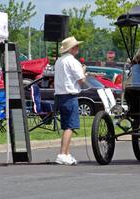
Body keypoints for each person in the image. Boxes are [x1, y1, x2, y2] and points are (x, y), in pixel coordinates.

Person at [54, 36, 86, 165]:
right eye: (76, 46)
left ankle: (66, 153)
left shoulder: (59, 61)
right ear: (72, 48)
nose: (78, 48)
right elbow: (81, 80)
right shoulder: (73, 61)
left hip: (60, 95)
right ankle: (62, 153)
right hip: (69, 95)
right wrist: (83, 72)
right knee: (70, 126)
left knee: (66, 125)